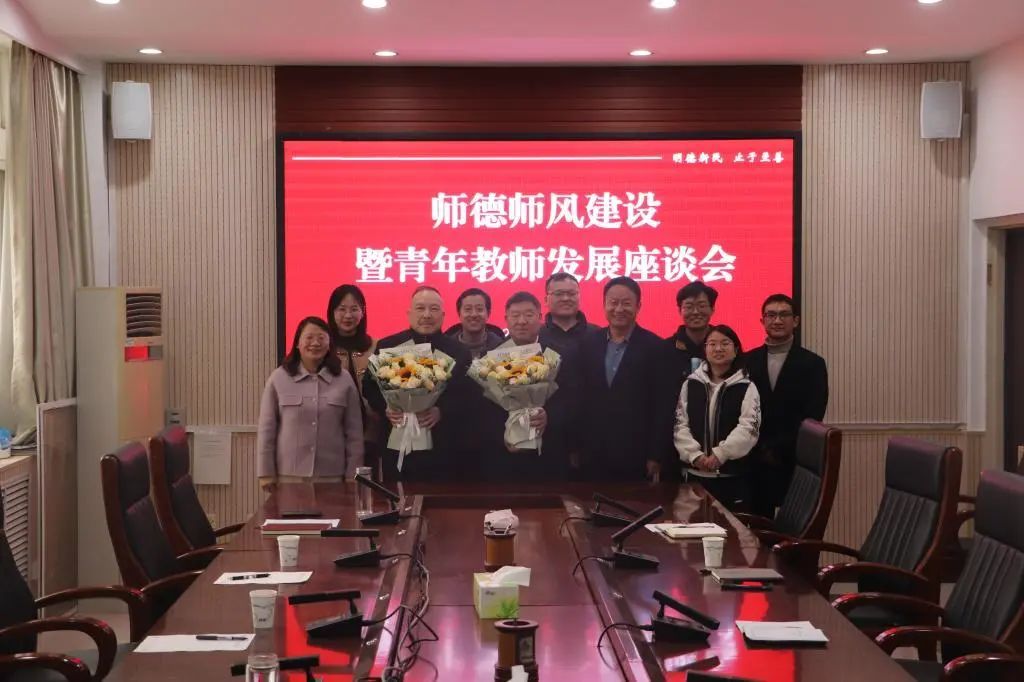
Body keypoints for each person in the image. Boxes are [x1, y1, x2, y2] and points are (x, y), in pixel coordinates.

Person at [363, 285, 472, 482]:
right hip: (397, 442)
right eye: (420, 308)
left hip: (443, 446)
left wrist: (442, 411)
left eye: (434, 309)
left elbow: (468, 395)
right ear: (409, 313)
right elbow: (369, 387)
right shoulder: (388, 346)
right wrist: (386, 408)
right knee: (397, 495)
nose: (427, 315)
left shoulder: (459, 351)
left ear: (443, 315)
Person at [579, 276, 673, 482]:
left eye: (626, 303)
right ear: (604, 305)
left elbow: (663, 406)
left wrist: (656, 455)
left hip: (636, 453)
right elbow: (579, 398)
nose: (619, 309)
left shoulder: (657, 347)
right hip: (592, 452)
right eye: (613, 302)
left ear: (638, 306)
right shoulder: (587, 344)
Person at [481, 291, 579, 482]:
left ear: (540, 317)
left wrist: (549, 416)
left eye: (528, 314)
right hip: (504, 458)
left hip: (548, 456)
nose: (522, 321)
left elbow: (573, 399)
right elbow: (482, 408)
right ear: (506, 319)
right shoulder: (491, 356)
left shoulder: (558, 353)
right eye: (515, 315)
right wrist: (501, 436)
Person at [746, 294, 829, 518]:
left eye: (784, 315)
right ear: (762, 321)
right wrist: (760, 447)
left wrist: (778, 447)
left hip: (793, 458)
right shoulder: (747, 360)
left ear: (796, 321)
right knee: (756, 526)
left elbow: (813, 415)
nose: (777, 320)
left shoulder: (813, 363)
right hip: (753, 458)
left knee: (793, 526)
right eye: (771, 315)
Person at [257, 317, 364, 489]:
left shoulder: (344, 379)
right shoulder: (279, 377)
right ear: (297, 343)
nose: (315, 343)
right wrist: (266, 473)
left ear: (329, 345)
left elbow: (354, 433)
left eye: (321, 338)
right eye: (309, 337)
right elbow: (267, 430)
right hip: (289, 476)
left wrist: (354, 474)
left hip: (332, 476)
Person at [674, 324, 761, 513]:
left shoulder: (746, 386)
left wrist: (721, 454)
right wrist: (694, 455)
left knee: (730, 530)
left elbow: (748, 428)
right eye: (712, 344)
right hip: (694, 478)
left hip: (731, 477)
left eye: (725, 343)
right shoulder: (691, 384)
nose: (718, 349)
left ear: (736, 349)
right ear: (705, 349)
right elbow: (680, 424)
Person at [326, 284, 382, 477]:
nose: (348, 315)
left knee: (369, 488)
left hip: (371, 434)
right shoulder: (323, 348)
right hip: (332, 435)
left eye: (354, 309)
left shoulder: (377, 347)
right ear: (332, 312)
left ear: (363, 312)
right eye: (342, 309)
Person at [668, 280, 718, 376]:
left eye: (702, 306)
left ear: (712, 309)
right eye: (689, 307)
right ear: (680, 310)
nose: (695, 312)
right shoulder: (666, 349)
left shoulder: (723, 347)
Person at [540, 272, 599, 352]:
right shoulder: (535, 336)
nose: (566, 298)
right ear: (546, 300)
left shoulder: (597, 335)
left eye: (571, 293)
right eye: (559, 294)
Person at [445, 287, 505, 358]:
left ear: (488, 313)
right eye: (468, 309)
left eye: (479, 309)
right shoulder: (445, 350)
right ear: (459, 314)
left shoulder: (503, 349)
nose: (474, 314)